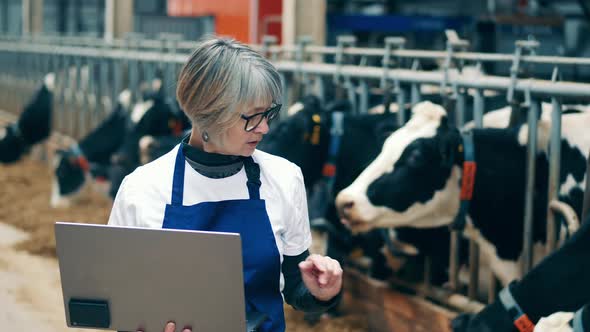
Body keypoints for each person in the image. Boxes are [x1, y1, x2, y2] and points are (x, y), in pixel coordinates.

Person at [108, 36, 343, 332]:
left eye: (268, 113)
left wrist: (321, 293)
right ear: (209, 112)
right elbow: (124, 304)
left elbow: (294, 285)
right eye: (253, 116)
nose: (265, 127)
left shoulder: (285, 177)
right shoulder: (141, 188)